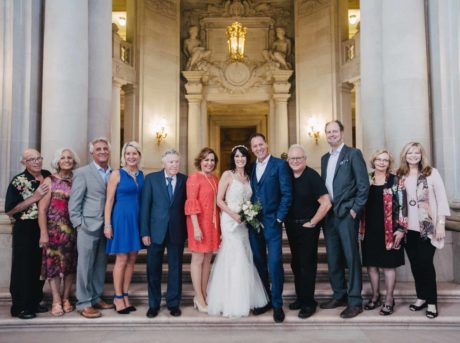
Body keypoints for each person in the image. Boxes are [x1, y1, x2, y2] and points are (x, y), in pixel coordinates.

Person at [207, 145, 269, 318]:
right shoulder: (228, 175)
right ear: (233, 158)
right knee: (234, 256)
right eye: (236, 156)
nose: (240, 159)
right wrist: (233, 215)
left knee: (245, 255)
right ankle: (230, 301)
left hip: (243, 222)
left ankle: (245, 298)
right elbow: (219, 200)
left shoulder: (249, 177)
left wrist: (248, 213)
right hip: (229, 220)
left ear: (246, 158)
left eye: (242, 156)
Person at [320, 120, 369, 319]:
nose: (331, 134)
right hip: (329, 214)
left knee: (351, 257)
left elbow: (363, 185)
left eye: (334, 131)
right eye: (328, 132)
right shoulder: (324, 158)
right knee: (333, 258)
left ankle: (355, 300)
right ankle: (339, 295)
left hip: (347, 213)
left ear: (342, 132)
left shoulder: (353, 154)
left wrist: (355, 210)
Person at [397, 142, 450, 319]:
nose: (413, 156)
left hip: (427, 228)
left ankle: (432, 302)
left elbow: (442, 199)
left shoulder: (431, 173)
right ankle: (421, 297)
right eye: (409, 152)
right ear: (404, 155)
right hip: (408, 229)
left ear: (421, 155)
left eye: (416, 153)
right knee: (416, 265)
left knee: (426, 265)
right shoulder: (401, 175)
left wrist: (441, 223)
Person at [249, 133, 292, 323]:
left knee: (274, 262)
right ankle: (264, 299)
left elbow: (287, 193)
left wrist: (279, 217)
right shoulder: (250, 168)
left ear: (267, 144)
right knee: (259, 262)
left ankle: (277, 303)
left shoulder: (280, 165)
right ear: (252, 149)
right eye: (255, 146)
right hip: (253, 223)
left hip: (272, 222)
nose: (258, 148)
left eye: (261, 144)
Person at [69, 137, 114, 318]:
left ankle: (95, 297)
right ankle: (83, 302)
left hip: (107, 227)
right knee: (85, 266)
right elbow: (74, 202)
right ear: (91, 153)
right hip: (87, 225)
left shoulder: (113, 172)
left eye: (105, 149)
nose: (102, 151)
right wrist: (79, 224)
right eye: (98, 149)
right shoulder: (82, 173)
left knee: (100, 265)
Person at [285, 144, 331, 319]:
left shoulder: (312, 176)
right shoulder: (287, 175)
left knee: (307, 265)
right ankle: (301, 298)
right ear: (288, 160)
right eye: (292, 158)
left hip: (307, 228)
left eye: (299, 158)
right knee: (296, 264)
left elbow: (326, 203)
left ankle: (309, 303)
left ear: (305, 159)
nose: (295, 161)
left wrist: (312, 222)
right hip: (291, 226)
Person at [140, 149, 187, 318]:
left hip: (177, 231)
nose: (174, 165)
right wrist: (144, 232)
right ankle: (154, 304)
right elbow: (145, 207)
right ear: (163, 164)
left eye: (176, 162)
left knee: (176, 268)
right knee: (153, 269)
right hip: (155, 231)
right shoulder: (151, 179)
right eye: (171, 162)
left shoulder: (184, 180)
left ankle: (173, 304)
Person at [360, 149, 407, 316]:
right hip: (368, 229)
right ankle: (375, 296)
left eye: (385, 160)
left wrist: (401, 229)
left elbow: (403, 206)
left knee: (388, 266)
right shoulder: (366, 178)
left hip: (390, 230)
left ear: (389, 163)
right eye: (378, 159)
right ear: (373, 161)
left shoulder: (396, 180)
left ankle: (389, 299)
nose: (381, 162)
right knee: (371, 265)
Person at [5, 149, 51, 319]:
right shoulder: (18, 181)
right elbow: (10, 210)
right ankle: (20, 307)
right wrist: (34, 197)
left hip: (43, 226)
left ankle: (34, 301)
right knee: (23, 267)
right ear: (23, 162)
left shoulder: (47, 175)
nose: (37, 162)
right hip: (25, 228)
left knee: (39, 266)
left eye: (39, 158)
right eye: (32, 159)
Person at [38, 148, 80, 316]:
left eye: (70, 157)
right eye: (63, 157)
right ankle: (56, 300)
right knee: (53, 266)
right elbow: (42, 210)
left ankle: (66, 298)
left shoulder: (77, 180)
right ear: (58, 161)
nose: (67, 160)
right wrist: (43, 233)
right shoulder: (50, 180)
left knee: (70, 265)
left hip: (72, 230)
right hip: (53, 231)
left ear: (74, 161)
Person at [104, 141, 144, 314]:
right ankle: (118, 297)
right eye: (128, 154)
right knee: (121, 259)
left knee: (132, 260)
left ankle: (125, 295)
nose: (131, 157)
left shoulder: (142, 175)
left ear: (139, 155)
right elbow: (109, 201)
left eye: (134, 153)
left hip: (136, 219)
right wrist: (107, 224)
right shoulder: (116, 174)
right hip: (121, 219)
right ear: (123, 156)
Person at [185, 147, 220, 313]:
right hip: (197, 223)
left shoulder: (214, 179)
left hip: (212, 225)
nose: (209, 163)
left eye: (212, 160)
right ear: (200, 161)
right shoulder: (194, 178)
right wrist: (196, 228)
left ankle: (204, 294)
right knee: (198, 259)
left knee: (207, 259)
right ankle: (198, 297)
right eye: (206, 160)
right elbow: (191, 203)